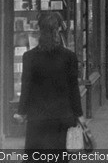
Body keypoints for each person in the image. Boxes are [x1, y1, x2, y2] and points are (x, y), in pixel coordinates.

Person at [14, 12, 85, 162]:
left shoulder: (29, 57)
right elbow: (74, 89)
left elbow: (26, 87)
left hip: (37, 118)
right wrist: (79, 114)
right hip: (62, 117)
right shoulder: (69, 57)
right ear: (58, 30)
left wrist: (21, 112)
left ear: (40, 31)